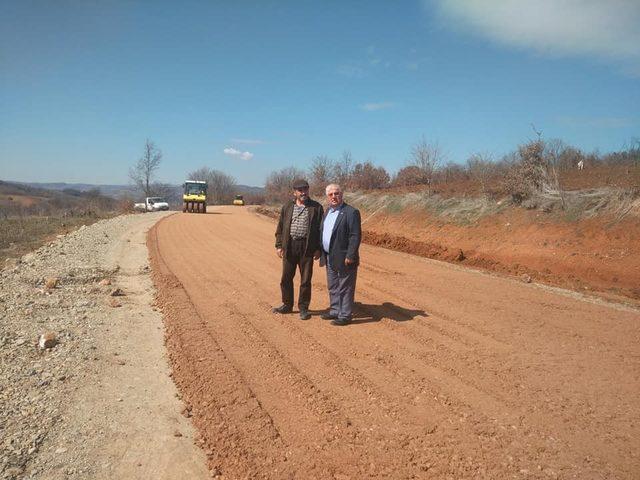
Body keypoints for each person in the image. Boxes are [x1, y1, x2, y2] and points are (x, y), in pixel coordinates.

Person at [273, 179, 324, 320]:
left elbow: (321, 230)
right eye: (300, 190)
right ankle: (287, 305)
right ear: (294, 192)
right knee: (286, 278)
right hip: (289, 246)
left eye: (305, 189)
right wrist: (279, 245)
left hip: (307, 248)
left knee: (306, 280)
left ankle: (303, 308)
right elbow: (280, 228)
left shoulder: (316, 208)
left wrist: (318, 248)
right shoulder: (287, 207)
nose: (303, 192)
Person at [319, 184, 361, 326]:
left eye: (336, 193)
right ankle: (335, 310)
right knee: (333, 285)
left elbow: (355, 236)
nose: (333, 196)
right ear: (327, 197)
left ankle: (345, 315)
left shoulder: (351, 212)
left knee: (345, 287)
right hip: (329, 255)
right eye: (330, 194)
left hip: (344, 257)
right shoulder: (327, 212)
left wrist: (351, 255)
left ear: (342, 194)